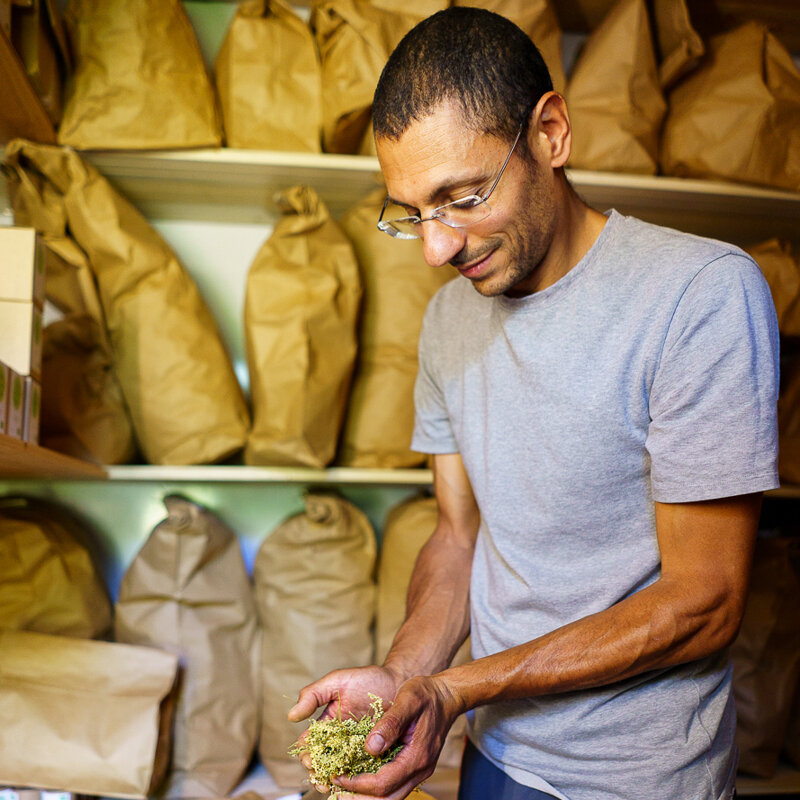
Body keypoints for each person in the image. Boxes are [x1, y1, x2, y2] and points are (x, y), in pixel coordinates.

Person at [288, 8, 780, 800]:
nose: (437, 248)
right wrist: (406, 677)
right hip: (496, 748)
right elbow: (457, 537)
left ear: (551, 133)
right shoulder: (447, 318)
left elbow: (705, 601)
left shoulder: (700, 295)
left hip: (639, 779)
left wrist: (456, 689)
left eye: (463, 196)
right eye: (412, 212)